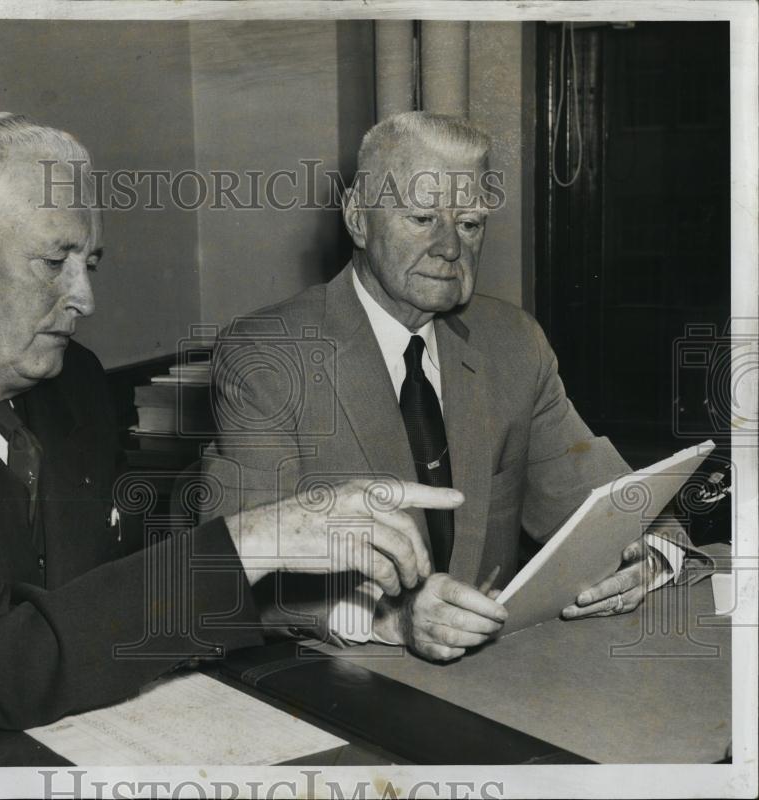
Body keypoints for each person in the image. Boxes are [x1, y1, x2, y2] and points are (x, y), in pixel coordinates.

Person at [0, 112, 451, 754]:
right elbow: (1, 662)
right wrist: (254, 538)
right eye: (55, 262)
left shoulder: (70, 380)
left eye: (90, 263)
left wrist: (354, 614)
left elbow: (126, 592)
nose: (85, 298)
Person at [202, 112, 707, 662]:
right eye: (422, 218)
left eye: (469, 224)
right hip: (344, 674)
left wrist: (650, 559)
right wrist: (389, 619)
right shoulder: (268, 356)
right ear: (358, 220)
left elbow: (625, 507)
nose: (449, 248)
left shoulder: (513, 343)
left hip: (493, 675)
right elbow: (223, 576)